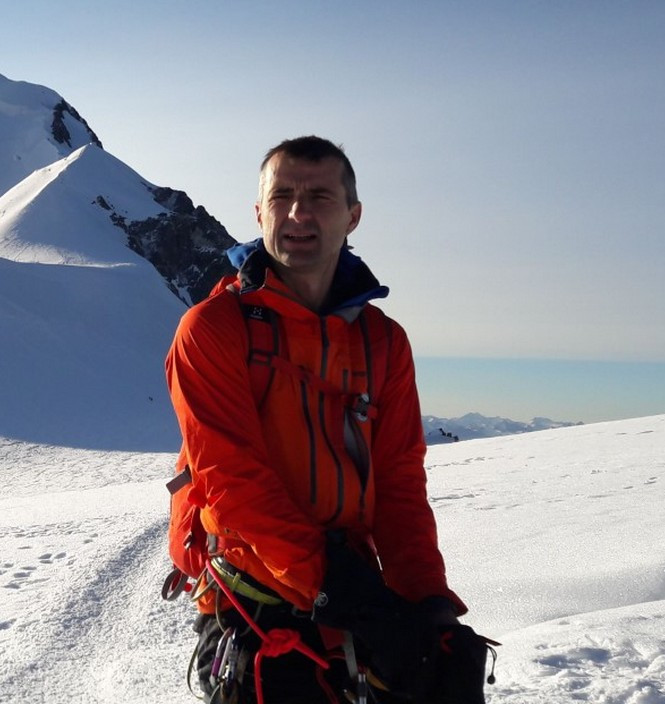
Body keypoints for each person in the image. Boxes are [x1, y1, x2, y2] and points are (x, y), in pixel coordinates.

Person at [165, 136, 487, 703]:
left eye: (319, 196)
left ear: (353, 216)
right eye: (282, 195)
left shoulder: (383, 341)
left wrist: (429, 607)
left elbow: (398, 485)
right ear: (259, 213)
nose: (298, 212)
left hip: (354, 592)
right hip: (258, 601)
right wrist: (349, 594)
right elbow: (231, 480)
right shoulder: (213, 328)